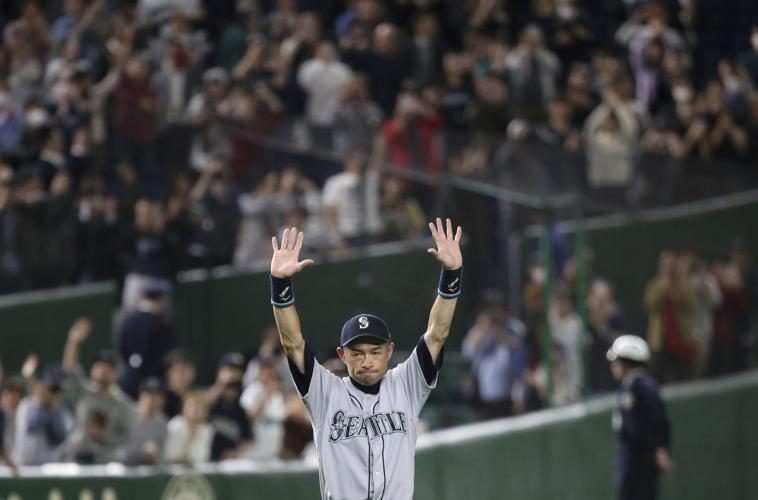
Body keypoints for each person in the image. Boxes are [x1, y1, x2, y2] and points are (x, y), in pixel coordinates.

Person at [268, 218, 462, 500]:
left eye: (375, 351)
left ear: (389, 351)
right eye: (357, 353)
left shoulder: (406, 385)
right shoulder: (325, 393)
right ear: (342, 355)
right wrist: (280, 285)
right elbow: (293, 343)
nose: (366, 361)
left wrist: (452, 275)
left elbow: (436, 334)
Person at [607, 335, 673, 500]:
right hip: (638, 460)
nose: (613, 366)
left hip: (638, 462)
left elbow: (648, 424)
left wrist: (655, 448)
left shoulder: (638, 387)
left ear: (627, 363)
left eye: (617, 361)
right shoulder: (637, 385)